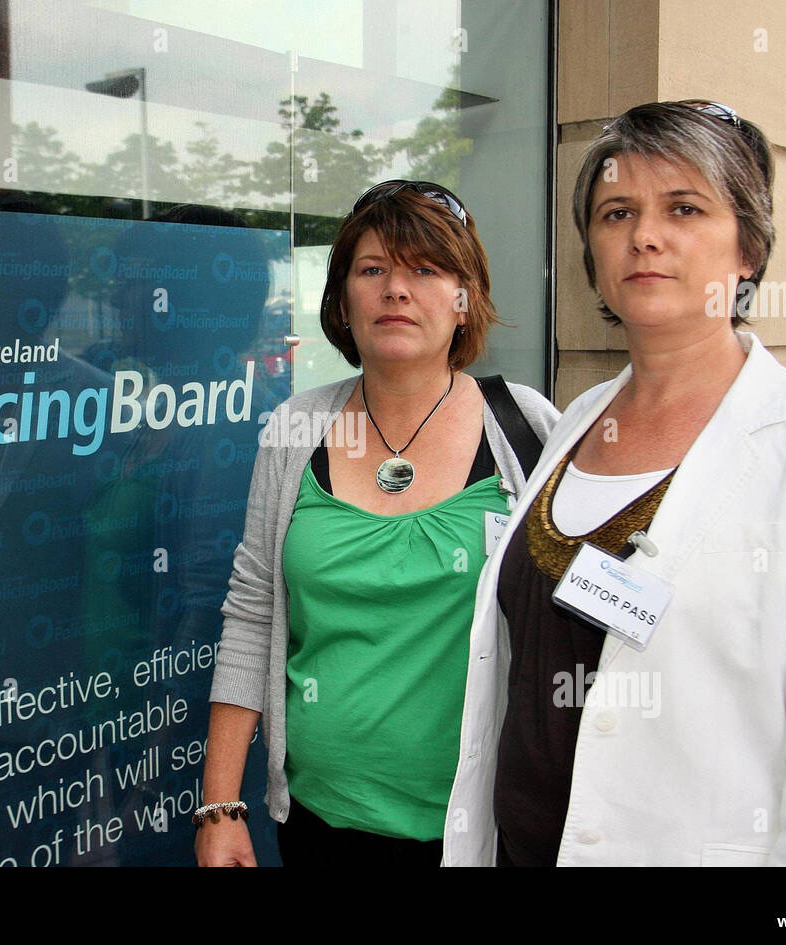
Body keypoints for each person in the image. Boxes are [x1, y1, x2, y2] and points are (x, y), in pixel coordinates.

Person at [444, 101, 786, 866]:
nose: (644, 234)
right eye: (616, 212)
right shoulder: (578, 422)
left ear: (748, 248)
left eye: (685, 208)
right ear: (593, 254)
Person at [197, 181, 559, 866]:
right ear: (342, 300)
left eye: (426, 269)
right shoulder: (296, 428)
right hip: (319, 825)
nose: (397, 289)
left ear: (465, 299)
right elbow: (251, 614)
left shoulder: (528, 430)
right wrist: (220, 807)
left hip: (482, 833)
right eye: (373, 270)